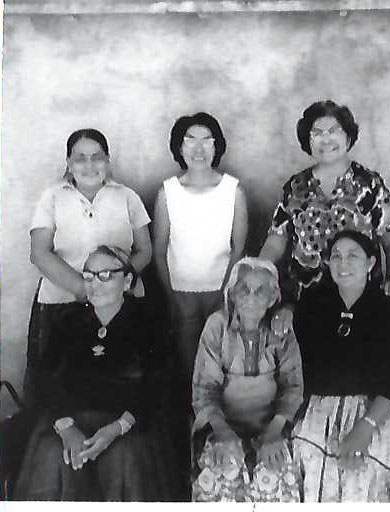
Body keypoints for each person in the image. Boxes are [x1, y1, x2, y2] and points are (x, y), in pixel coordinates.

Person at [14, 246, 180, 501]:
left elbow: (157, 384)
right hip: (71, 421)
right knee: (51, 452)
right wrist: (66, 427)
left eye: (105, 275)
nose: (94, 283)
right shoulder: (67, 320)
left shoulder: (149, 321)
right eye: (89, 275)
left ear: (126, 281)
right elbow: (44, 379)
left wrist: (116, 429)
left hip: (128, 424)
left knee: (126, 457)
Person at [292, 230, 390, 502]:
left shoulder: (387, 308)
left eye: (353, 256)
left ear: (370, 263)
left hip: (378, 408)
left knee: (373, 470)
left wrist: (365, 428)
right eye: (336, 256)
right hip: (321, 407)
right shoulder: (312, 304)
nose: (343, 264)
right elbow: (299, 366)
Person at [26, 129, 152, 405]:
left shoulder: (127, 196)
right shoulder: (53, 197)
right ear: (68, 162)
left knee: (120, 385)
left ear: (108, 160)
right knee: (56, 384)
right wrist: (85, 288)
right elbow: (39, 252)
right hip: (61, 303)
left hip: (120, 304)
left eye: (97, 157)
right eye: (80, 158)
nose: (89, 164)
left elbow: (145, 251)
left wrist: (115, 286)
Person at [259, 100, 390, 332]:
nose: (325, 139)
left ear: (348, 138)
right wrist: (257, 271)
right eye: (317, 133)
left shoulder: (370, 184)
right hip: (302, 301)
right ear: (308, 142)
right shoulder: (295, 186)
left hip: (358, 299)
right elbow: (277, 240)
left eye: (334, 131)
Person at [191, 257, 303, 502]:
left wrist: (273, 432)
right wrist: (222, 431)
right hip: (221, 425)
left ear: (273, 298)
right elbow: (204, 389)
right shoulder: (217, 326)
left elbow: (292, 387)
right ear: (231, 294)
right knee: (220, 476)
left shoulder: (280, 329)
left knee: (276, 478)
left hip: (272, 427)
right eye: (244, 289)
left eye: (260, 291)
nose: (251, 297)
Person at [154, 112, 248, 386]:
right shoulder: (167, 192)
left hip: (220, 294)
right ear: (179, 147)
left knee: (219, 366)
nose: (199, 149)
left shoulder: (233, 190)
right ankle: (189, 422)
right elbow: (159, 251)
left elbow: (238, 249)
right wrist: (171, 296)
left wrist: (224, 296)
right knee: (187, 368)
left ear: (217, 146)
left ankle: (215, 424)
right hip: (180, 293)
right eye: (190, 141)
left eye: (207, 140)